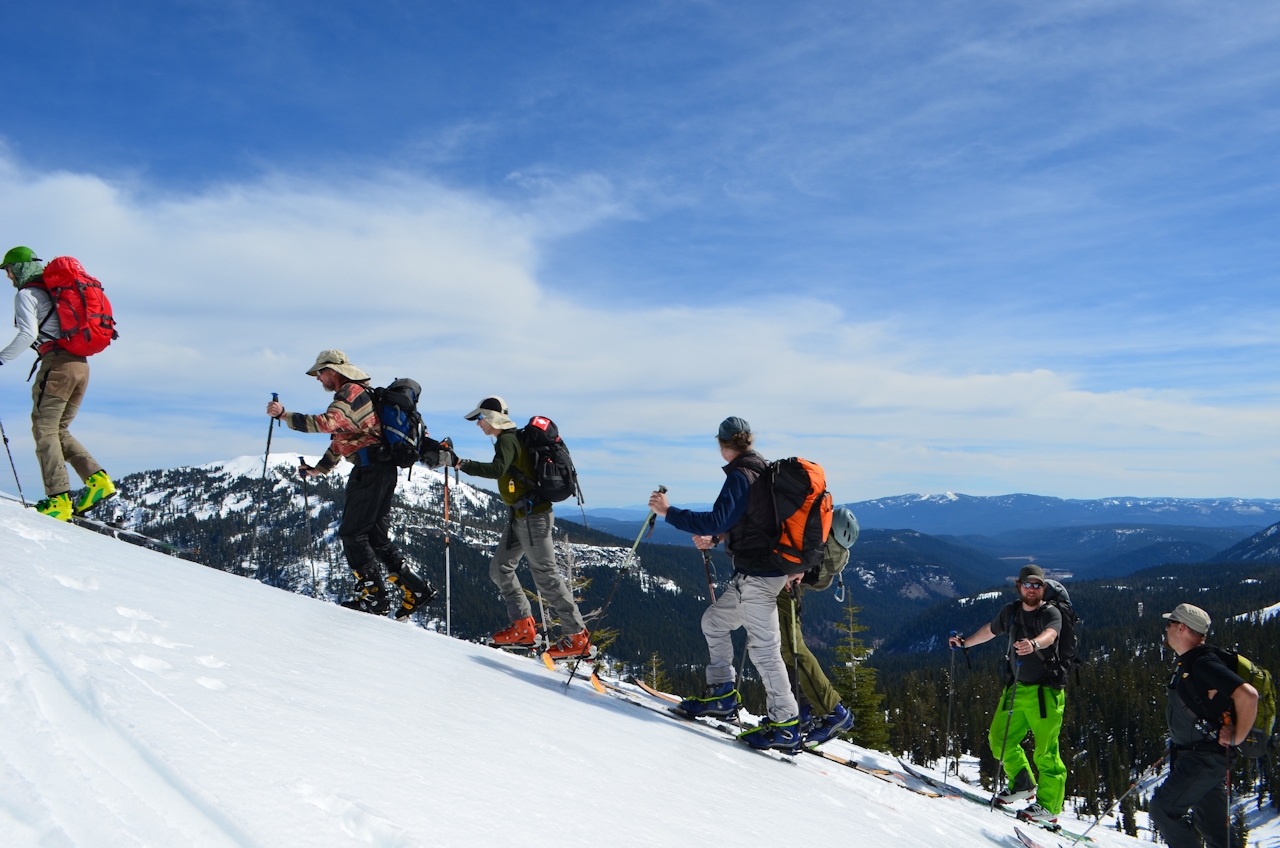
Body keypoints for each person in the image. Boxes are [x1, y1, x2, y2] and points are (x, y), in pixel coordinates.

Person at [647, 416, 803, 753]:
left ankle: (787, 723)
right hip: (761, 572)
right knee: (714, 622)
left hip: (759, 576)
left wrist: (668, 512)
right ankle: (721, 693)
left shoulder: (741, 474)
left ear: (722, 444)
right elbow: (752, 520)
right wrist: (718, 537)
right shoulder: (762, 469)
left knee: (764, 650)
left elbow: (720, 517)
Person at [266, 349, 434, 620]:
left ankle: (375, 598)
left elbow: (326, 423)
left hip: (370, 471)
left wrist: (284, 415)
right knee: (376, 538)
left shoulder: (350, 394)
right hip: (381, 470)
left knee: (352, 534)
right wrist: (318, 470)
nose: (318, 378)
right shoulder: (361, 396)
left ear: (333, 371)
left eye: (320, 372)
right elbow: (340, 440)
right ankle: (417, 588)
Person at [454, 396, 591, 660]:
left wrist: (461, 463)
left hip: (532, 517)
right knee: (500, 568)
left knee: (545, 575)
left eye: (480, 418)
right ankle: (523, 628)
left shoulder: (507, 439)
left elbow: (497, 469)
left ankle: (577, 637)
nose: (478, 424)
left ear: (492, 418)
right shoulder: (510, 439)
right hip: (520, 516)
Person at [0, 246, 114, 521]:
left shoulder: (28, 295)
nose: (8, 278)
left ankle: (58, 498)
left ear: (18, 268)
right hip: (80, 366)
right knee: (58, 429)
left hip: (58, 365)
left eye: (8, 271)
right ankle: (98, 482)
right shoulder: (55, 293)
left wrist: (1, 359)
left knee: (44, 429)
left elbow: (28, 334)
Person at [948, 564, 1067, 823]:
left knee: (1046, 752)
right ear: (1019, 585)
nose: (1032, 589)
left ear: (1043, 588)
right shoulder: (1011, 612)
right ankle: (1022, 783)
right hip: (1017, 688)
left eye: (1037, 585)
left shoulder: (1051, 613)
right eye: (1028, 584)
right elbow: (990, 630)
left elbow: (1050, 635)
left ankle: (1049, 807)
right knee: (999, 738)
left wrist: (1034, 643)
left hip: (1045, 693)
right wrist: (965, 642)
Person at [1150, 603, 1259, 848]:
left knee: (1163, 809)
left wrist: (1237, 737)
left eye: (1169, 624)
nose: (1165, 629)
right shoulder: (1191, 662)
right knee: (1214, 829)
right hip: (1199, 756)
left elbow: (1248, 696)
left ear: (1181, 628)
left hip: (1203, 760)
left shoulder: (1203, 663)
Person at [775, 505, 858, 747]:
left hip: (783, 590)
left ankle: (834, 712)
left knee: (793, 650)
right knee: (786, 651)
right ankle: (800, 711)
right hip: (788, 591)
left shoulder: (816, 537)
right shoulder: (825, 543)